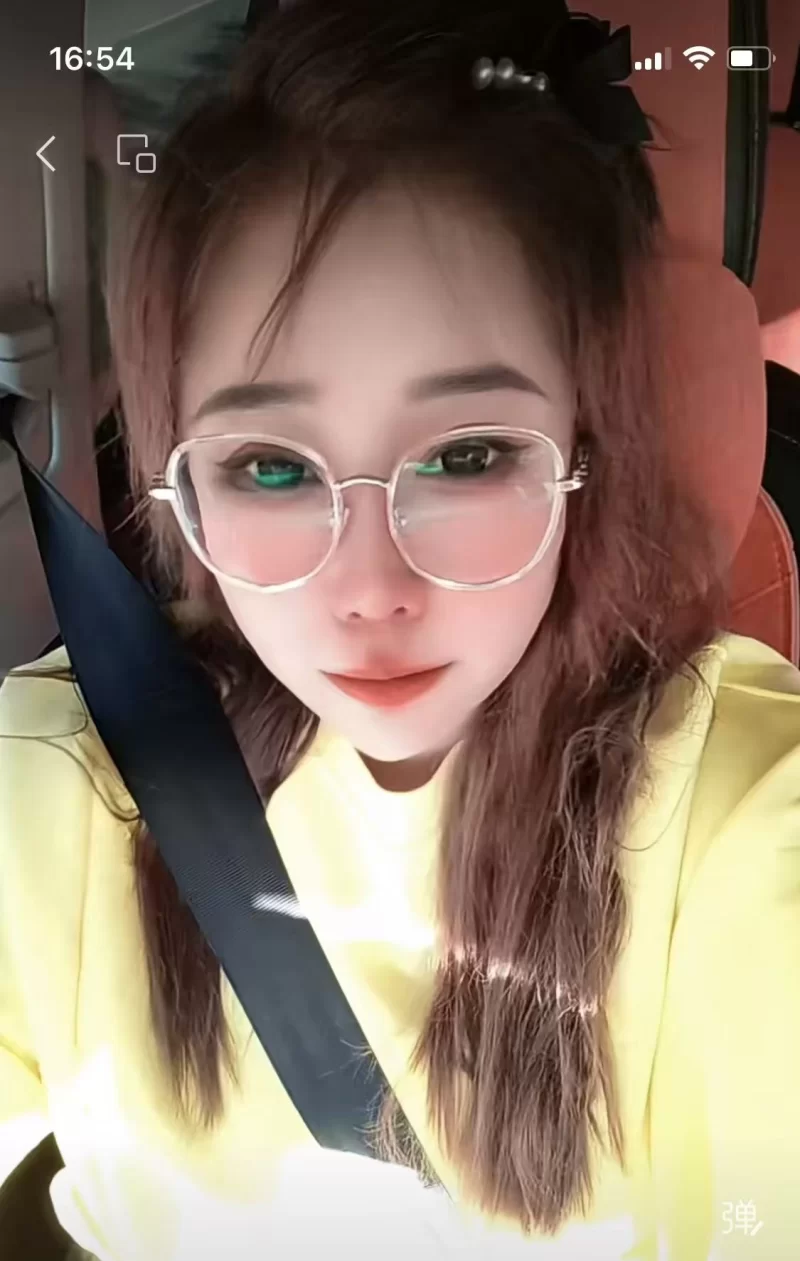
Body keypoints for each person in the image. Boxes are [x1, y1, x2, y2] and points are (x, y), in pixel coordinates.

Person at [1, 1, 799, 1258]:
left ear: (581, 450)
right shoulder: (62, 786)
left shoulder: (736, 812)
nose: (369, 587)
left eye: (466, 455)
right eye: (270, 467)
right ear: (179, 482)